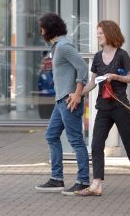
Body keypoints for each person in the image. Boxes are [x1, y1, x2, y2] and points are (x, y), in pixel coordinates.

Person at [35, 12, 90, 195]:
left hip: (69, 100)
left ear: (49, 29)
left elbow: (82, 67)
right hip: (61, 102)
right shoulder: (57, 46)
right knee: (51, 135)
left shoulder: (64, 46)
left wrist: (77, 93)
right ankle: (57, 179)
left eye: (42, 28)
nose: (40, 31)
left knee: (75, 140)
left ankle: (83, 181)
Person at [75, 20, 130, 196]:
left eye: (100, 33)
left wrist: (115, 77)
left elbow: (129, 77)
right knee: (96, 145)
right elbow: (93, 81)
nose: (97, 35)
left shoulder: (122, 55)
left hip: (120, 106)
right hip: (103, 108)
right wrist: (78, 94)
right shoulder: (98, 57)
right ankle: (96, 185)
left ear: (109, 34)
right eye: (97, 33)